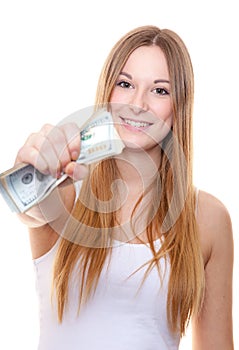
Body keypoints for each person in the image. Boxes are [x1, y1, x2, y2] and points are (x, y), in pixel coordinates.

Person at [14, 25, 234, 349]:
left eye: (160, 90)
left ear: (179, 107)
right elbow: (29, 209)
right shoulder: (67, 192)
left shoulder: (208, 218)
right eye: (125, 84)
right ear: (108, 92)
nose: (137, 103)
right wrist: (33, 171)